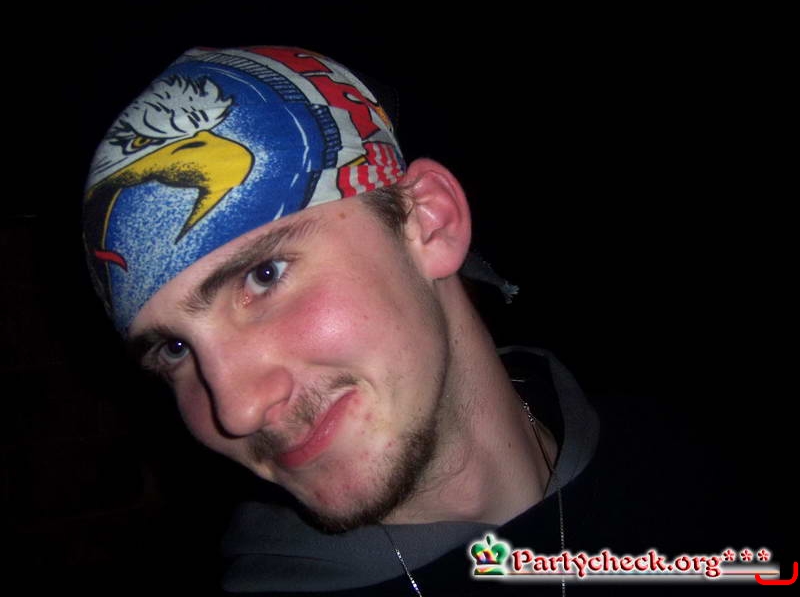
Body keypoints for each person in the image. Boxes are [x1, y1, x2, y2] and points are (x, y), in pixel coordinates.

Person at [82, 46, 783, 596]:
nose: (234, 409)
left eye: (263, 277)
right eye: (174, 349)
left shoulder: (703, 467)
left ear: (429, 222)